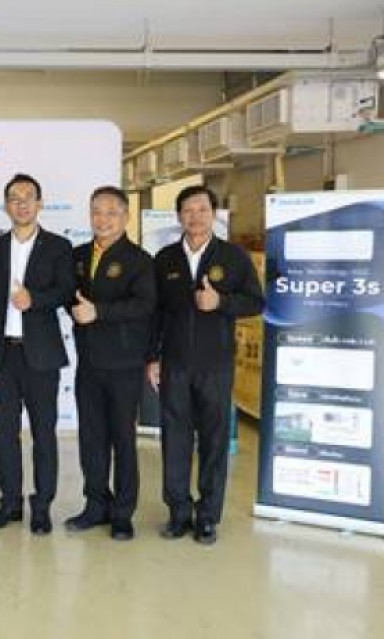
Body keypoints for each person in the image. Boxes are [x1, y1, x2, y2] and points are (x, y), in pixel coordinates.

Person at [147, 185, 264, 545]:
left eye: (201, 209)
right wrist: (152, 357)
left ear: (214, 214)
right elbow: (155, 313)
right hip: (175, 364)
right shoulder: (165, 259)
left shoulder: (233, 256)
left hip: (216, 365)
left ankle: (208, 517)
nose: (195, 216)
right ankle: (178, 513)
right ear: (179, 216)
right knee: (175, 439)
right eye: (188, 210)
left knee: (214, 441)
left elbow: (255, 302)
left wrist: (221, 302)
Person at [0, 174, 74, 535]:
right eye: (14, 198)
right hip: (2, 355)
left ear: (39, 203)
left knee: (44, 434)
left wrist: (34, 299)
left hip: (41, 356)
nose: (21, 204)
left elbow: (66, 290)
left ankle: (42, 505)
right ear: (6, 206)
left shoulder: (58, 246)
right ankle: (10, 503)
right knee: (5, 434)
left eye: (28, 197)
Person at [64, 186, 155, 541]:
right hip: (88, 362)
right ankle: (96, 505)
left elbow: (144, 305)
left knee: (123, 440)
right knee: (92, 438)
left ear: (125, 217)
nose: (102, 220)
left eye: (111, 213)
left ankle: (122, 513)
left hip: (124, 364)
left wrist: (98, 311)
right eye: (96, 212)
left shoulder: (139, 260)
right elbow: (69, 296)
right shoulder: (78, 255)